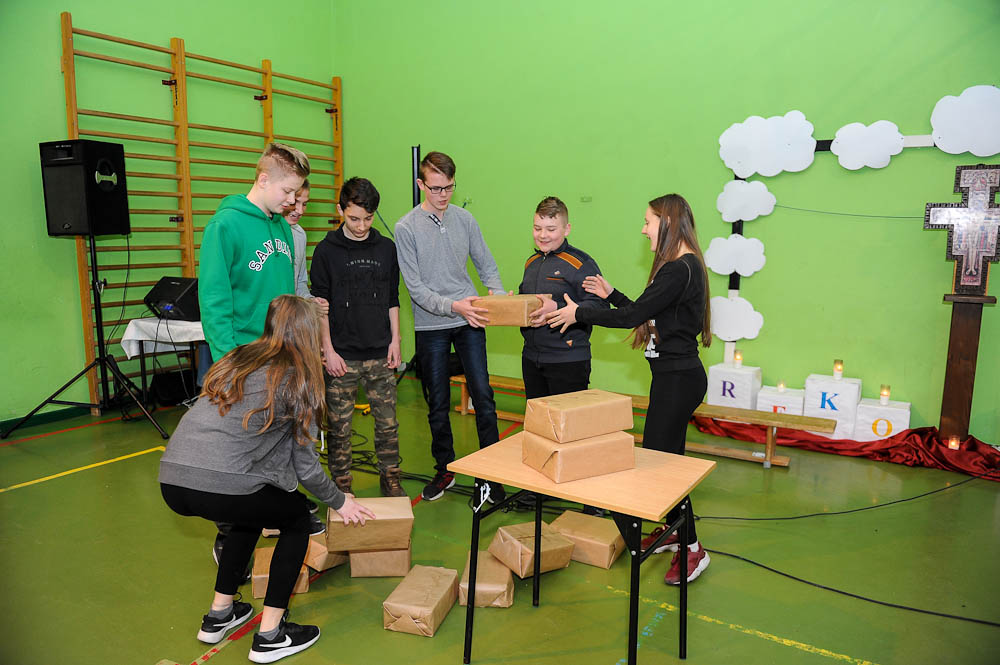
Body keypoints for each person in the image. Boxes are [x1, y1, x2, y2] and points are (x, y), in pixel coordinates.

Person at [159, 295, 376, 663]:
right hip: (221, 483)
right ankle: (271, 635)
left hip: (172, 479)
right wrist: (341, 502)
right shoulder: (300, 377)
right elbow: (306, 468)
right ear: (309, 333)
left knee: (250, 515)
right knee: (296, 519)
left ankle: (219, 614)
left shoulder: (237, 358)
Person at [547, 193, 712, 585]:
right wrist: (612, 296)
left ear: (667, 223)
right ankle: (676, 534)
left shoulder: (679, 269)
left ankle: (692, 548)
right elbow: (648, 312)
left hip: (678, 380)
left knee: (663, 468)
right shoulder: (681, 267)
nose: (643, 229)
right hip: (673, 379)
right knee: (666, 463)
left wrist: (580, 311)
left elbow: (634, 316)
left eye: (648, 221)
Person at [395, 151, 506, 502]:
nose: (443, 195)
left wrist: (498, 295)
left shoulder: (465, 219)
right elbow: (415, 290)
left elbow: (486, 264)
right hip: (432, 326)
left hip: (469, 318)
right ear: (421, 184)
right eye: (436, 188)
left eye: (449, 187)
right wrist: (452, 306)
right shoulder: (405, 228)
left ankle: (491, 477)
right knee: (438, 403)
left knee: (483, 396)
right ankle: (445, 469)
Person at [310, 177, 406, 498]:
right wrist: (328, 350)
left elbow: (392, 298)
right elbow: (320, 305)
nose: (362, 226)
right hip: (342, 356)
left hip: (381, 352)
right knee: (340, 429)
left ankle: (391, 478)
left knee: (388, 425)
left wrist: (396, 340)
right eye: (354, 218)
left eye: (368, 218)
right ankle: (341, 487)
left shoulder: (386, 248)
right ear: (340, 210)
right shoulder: (326, 251)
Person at [518, 196, 608, 515]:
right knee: (540, 431)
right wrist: (511, 306)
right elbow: (527, 303)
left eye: (551, 229)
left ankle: (589, 499)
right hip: (533, 358)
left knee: (574, 431)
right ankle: (538, 490)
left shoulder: (582, 264)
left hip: (568, 359)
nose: (543, 235)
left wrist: (560, 308)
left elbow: (600, 306)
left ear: (566, 228)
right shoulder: (531, 263)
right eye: (537, 228)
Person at [199, 142, 310, 363]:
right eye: (287, 191)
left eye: (295, 193)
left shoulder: (283, 227)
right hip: (244, 354)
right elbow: (214, 300)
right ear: (263, 180)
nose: (291, 201)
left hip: (283, 351)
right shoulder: (224, 225)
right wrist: (227, 361)